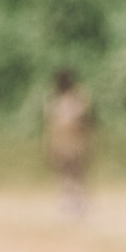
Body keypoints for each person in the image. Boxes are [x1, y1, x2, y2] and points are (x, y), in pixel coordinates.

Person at [45, 68, 94, 221]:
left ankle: (79, 203)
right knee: (63, 173)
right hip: (60, 141)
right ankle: (67, 202)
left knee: (77, 172)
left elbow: (86, 121)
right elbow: (51, 124)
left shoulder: (78, 99)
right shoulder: (55, 100)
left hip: (76, 140)